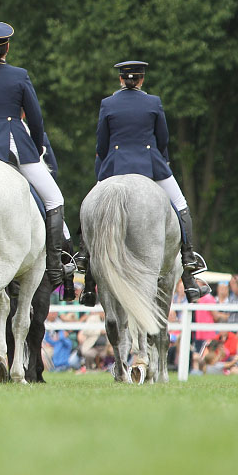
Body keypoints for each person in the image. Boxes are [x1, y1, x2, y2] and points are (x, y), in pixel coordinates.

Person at [75, 61, 202, 301]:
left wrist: (103, 167)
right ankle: (188, 262)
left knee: (89, 206)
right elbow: (162, 139)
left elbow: (101, 144)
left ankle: (85, 261)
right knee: (181, 204)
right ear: (141, 80)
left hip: (114, 165)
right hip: (150, 164)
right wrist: (162, 162)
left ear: (121, 80)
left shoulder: (108, 103)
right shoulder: (153, 102)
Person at [0, 22, 73, 284]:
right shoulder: (19, 75)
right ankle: (57, 264)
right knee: (53, 199)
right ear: (7, 49)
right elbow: (35, 120)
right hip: (15, 145)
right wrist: (35, 149)